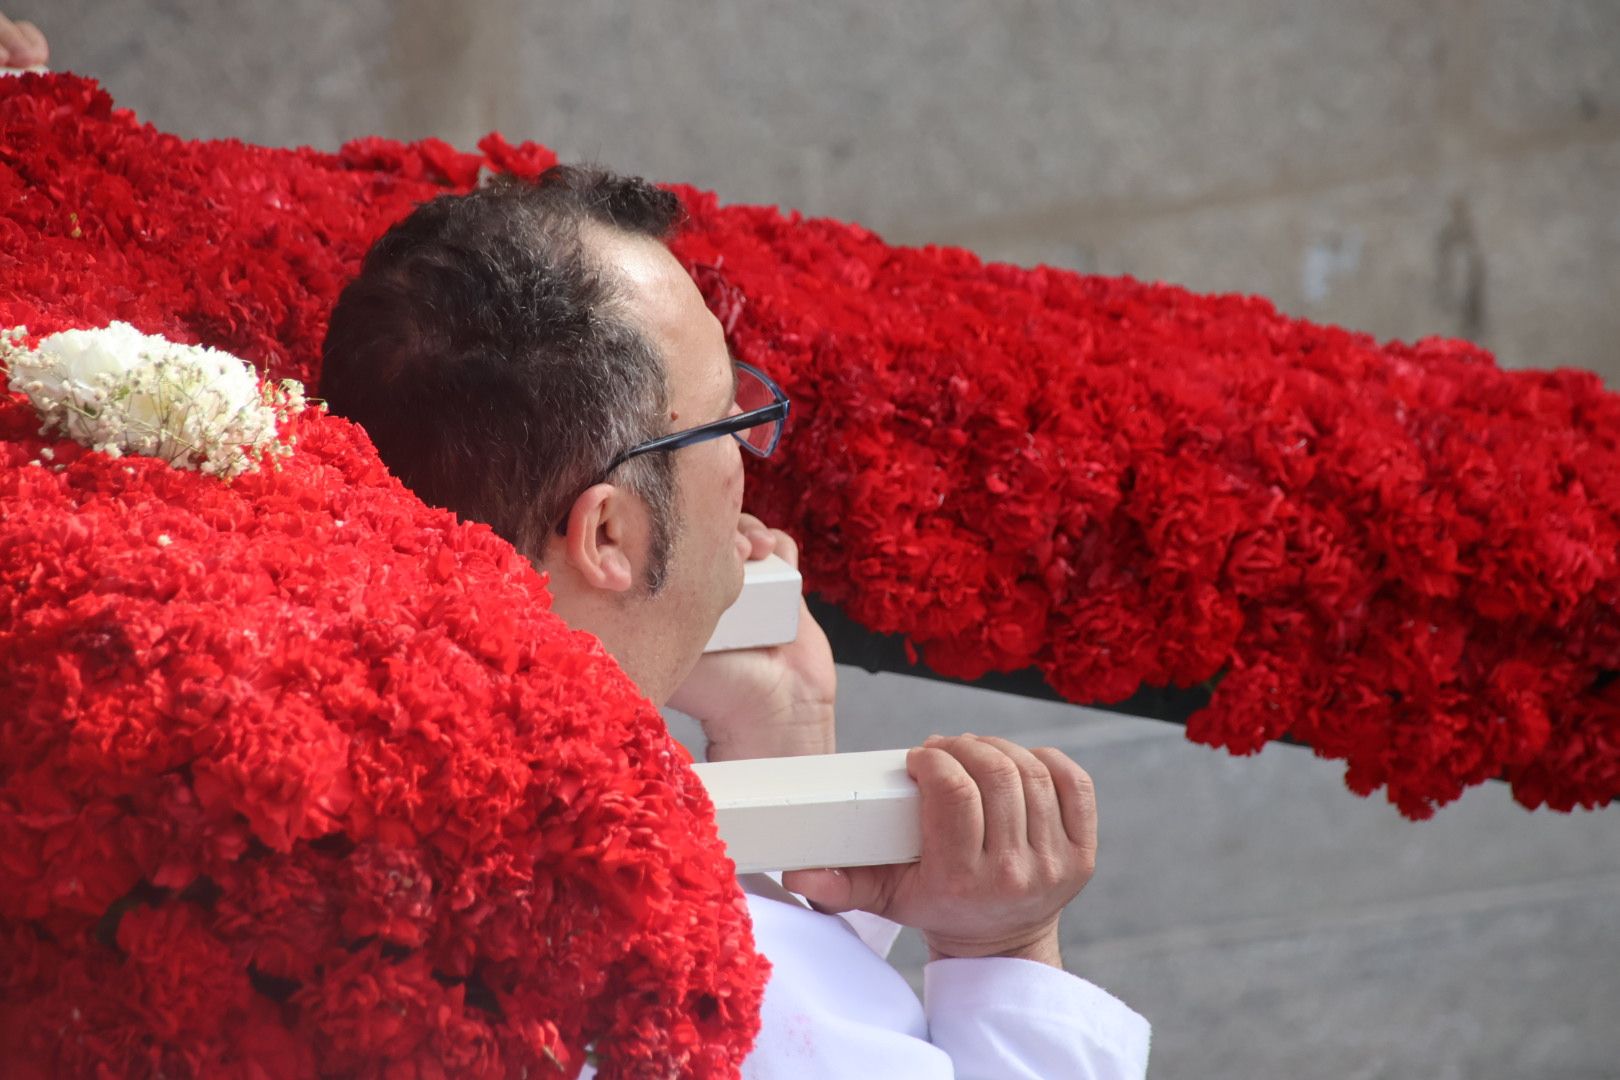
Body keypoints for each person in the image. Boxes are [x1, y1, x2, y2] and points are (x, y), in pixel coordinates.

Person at [321, 168, 1151, 1078]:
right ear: (608, 533)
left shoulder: (404, 785)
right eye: (721, 423)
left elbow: (796, 995)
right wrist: (1008, 950)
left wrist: (781, 732)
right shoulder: (631, 993)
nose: (747, 461)